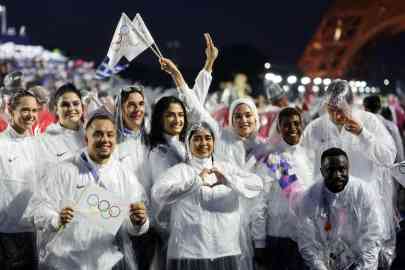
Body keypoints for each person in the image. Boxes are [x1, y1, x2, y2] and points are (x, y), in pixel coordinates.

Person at [27, 110, 149, 269]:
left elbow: (132, 225)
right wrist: (56, 219)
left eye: (110, 134)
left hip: (107, 263)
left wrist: (139, 222)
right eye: (98, 134)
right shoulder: (64, 171)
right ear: (86, 138)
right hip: (65, 264)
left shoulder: (124, 175)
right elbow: (37, 209)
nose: (105, 139)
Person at [301, 79, 397, 268]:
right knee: (329, 259)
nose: (336, 115)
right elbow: (302, 160)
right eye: (331, 109)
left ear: (351, 105)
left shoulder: (369, 122)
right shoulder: (316, 127)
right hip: (328, 210)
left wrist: (363, 134)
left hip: (364, 208)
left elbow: (388, 156)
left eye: (341, 109)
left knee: (365, 258)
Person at [151, 121, 263, 270]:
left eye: (207, 138)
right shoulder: (181, 171)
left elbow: (257, 184)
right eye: (197, 138)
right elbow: (158, 193)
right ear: (188, 143)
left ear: (214, 141)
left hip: (226, 250)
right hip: (190, 254)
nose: (203, 142)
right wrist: (196, 182)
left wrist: (229, 180)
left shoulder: (225, 169)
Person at [296, 147, 382, 270]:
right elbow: (307, 242)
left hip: (361, 263)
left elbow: (373, 237)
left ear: (348, 168)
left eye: (342, 169)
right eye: (330, 170)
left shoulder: (363, 192)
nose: (337, 175)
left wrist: (362, 268)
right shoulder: (310, 197)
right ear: (322, 171)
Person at [254, 107, 313, 270]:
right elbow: (260, 204)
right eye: (287, 124)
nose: (293, 128)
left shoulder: (309, 155)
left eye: (296, 123)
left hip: (307, 237)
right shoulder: (273, 159)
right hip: (279, 236)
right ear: (279, 128)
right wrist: (259, 242)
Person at [363, 94, 404, 162]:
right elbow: (399, 151)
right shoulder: (391, 126)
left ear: (365, 109)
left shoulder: (360, 127)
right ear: (380, 108)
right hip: (390, 168)